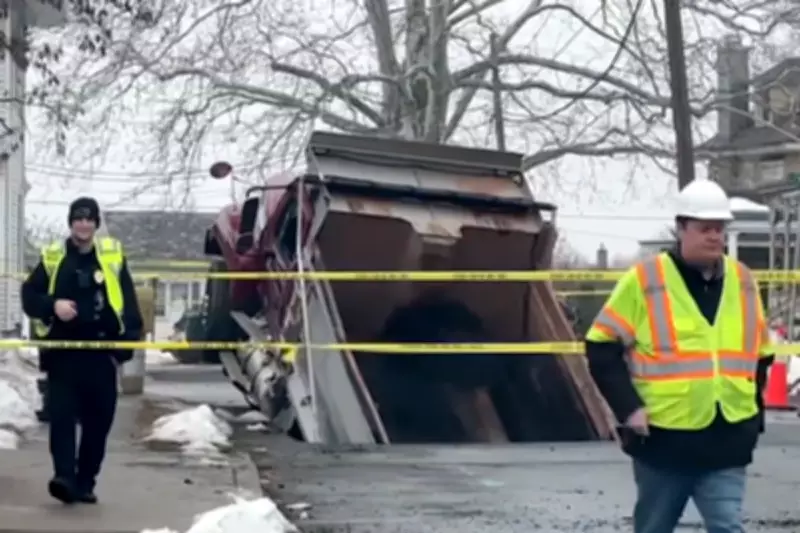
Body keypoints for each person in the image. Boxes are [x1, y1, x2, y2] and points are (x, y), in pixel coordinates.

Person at [585, 178, 774, 533]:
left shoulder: (743, 280)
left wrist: (754, 415)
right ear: (681, 227)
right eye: (705, 228)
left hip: (727, 439)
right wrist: (629, 408)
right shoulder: (645, 280)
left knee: (728, 526)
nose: (715, 237)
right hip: (663, 441)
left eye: (720, 229)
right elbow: (600, 346)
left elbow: (760, 355)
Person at [21, 197, 143, 505]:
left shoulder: (112, 256)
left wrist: (126, 344)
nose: (84, 224)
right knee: (61, 419)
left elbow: (128, 301)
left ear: (96, 224)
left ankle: (85, 481)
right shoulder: (53, 257)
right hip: (63, 354)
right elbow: (29, 296)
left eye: (89, 219)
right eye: (78, 219)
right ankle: (63, 478)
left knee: (98, 423)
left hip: (101, 354)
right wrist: (54, 306)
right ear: (71, 222)